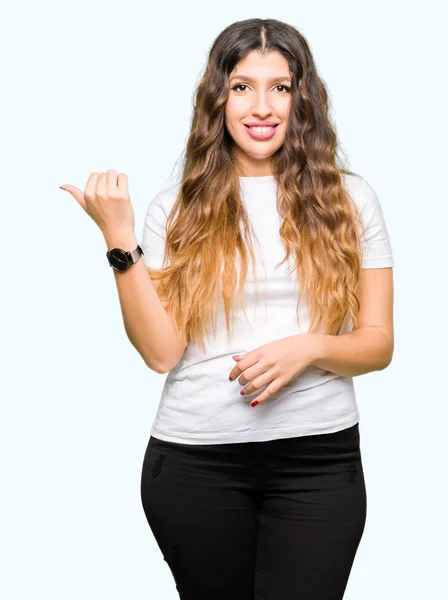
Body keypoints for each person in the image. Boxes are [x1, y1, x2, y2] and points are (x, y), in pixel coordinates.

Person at [60, 17, 395, 600]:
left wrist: (309, 348)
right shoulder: (176, 208)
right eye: (242, 86)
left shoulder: (351, 199)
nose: (261, 106)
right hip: (196, 464)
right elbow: (162, 353)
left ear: (303, 99)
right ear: (218, 97)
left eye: (280, 87)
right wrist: (119, 239)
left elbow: (379, 343)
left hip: (318, 463)